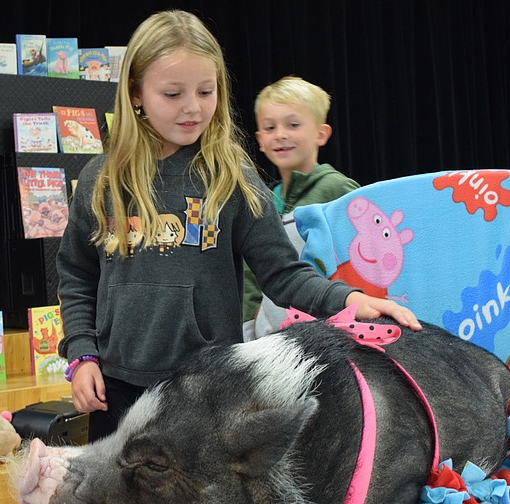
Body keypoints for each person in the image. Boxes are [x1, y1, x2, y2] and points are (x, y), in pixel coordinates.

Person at [55, 9, 421, 442]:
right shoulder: (100, 180)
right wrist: (81, 355)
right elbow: (77, 276)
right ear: (136, 94)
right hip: (113, 391)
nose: (193, 107)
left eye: (205, 91)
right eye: (173, 93)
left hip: (205, 388)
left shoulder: (234, 179)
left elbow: (283, 275)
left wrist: (350, 298)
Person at [242, 76, 360, 323]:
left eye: (293, 125)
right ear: (260, 140)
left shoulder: (338, 189)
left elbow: (358, 261)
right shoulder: (261, 200)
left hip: (326, 330)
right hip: (269, 338)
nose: (280, 135)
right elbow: (250, 276)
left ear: (321, 133)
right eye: (270, 127)